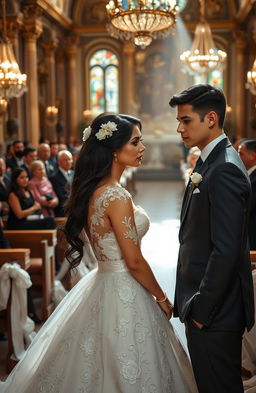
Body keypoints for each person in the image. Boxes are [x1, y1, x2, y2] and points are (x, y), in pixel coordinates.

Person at [0, 113, 197, 393]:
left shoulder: (94, 190)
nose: (143, 148)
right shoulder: (115, 196)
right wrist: (162, 297)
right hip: (123, 285)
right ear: (114, 150)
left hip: (103, 280)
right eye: (136, 142)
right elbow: (134, 260)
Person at [169, 84, 255, 393]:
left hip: (216, 311)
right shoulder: (210, 161)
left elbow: (227, 249)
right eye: (178, 120)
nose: (179, 128)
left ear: (211, 119)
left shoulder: (225, 168)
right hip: (211, 308)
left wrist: (202, 310)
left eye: (186, 120)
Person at [238, 139, 256, 250]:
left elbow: (248, 205)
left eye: (241, 153)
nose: (237, 157)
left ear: (253, 156)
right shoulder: (248, 175)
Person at [50, 150, 74, 217]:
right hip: (63, 209)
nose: (68, 162)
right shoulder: (54, 177)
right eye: (65, 160)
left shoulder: (75, 173)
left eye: (69, 159)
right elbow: (61, 196)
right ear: (59, 162)